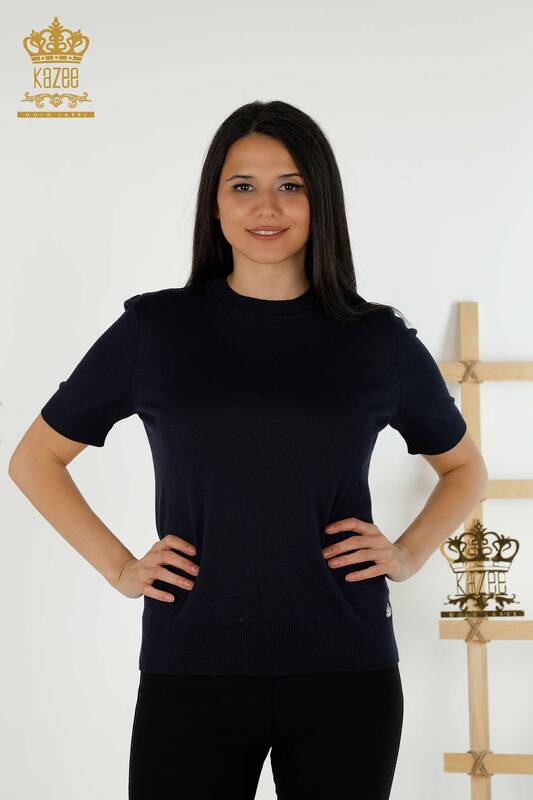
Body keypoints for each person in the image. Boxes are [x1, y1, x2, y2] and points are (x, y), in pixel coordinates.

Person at [8, 100, 488, 800]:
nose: (267, 206)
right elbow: (34, 459)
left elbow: (464, 467)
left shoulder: (377, 340)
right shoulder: (155, 330)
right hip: (190, 665)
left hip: (345, 672)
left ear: (321, 202)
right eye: (243, 185)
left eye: (291, 185)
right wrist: (120, 568)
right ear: (215, 203)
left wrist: (408, 554)